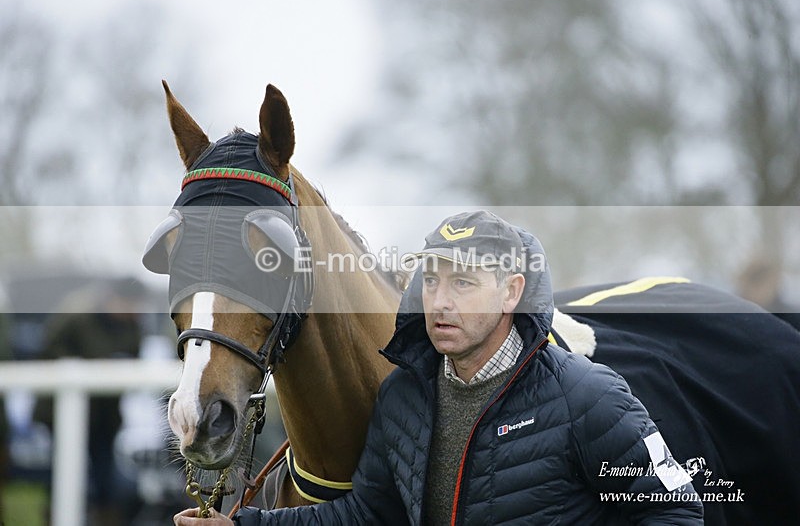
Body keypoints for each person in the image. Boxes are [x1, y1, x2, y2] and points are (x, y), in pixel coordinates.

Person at [175, 211, 703, 525]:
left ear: (512, 292)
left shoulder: (588, 395)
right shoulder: (403, 396)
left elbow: (676, 510)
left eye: (464, 283)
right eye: (431, 282)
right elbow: (366, 515)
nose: (441, 302)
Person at [34, 276, 146, 526]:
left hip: (105, 415)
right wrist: (90, 368)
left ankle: (105, 519)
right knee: (62, 473)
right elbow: (48, 351)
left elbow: (134, 361)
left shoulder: (133, 323)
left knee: (105, 478)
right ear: (113, 298)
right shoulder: (75, 313)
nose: (132, 310)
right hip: (61, 412)